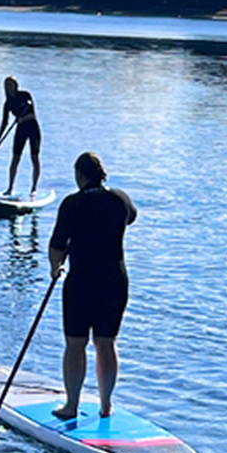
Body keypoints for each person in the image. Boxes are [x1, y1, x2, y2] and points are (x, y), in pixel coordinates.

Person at [47, 151, 137, 422]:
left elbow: (57, 245)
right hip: (114, 280)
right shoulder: (120, 199)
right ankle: (106, 404)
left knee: (76, 344)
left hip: (82, 280)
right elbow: (130, 218)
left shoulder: (72, 204)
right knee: (106, 343)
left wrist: (55, 268)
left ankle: (71, 405)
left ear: (79, 175)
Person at [0, 75, 42, 196]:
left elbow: (32, 114)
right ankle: (10, 188)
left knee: (34, 157)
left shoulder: (25, 95)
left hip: (33, 128)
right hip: (21, 130)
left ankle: (34, 188)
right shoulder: (8, 103)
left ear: (16, 86)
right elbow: (4, 123)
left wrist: (21, 119)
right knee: (15, 158)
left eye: (10, 84)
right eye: (6, 85)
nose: (8, 87)